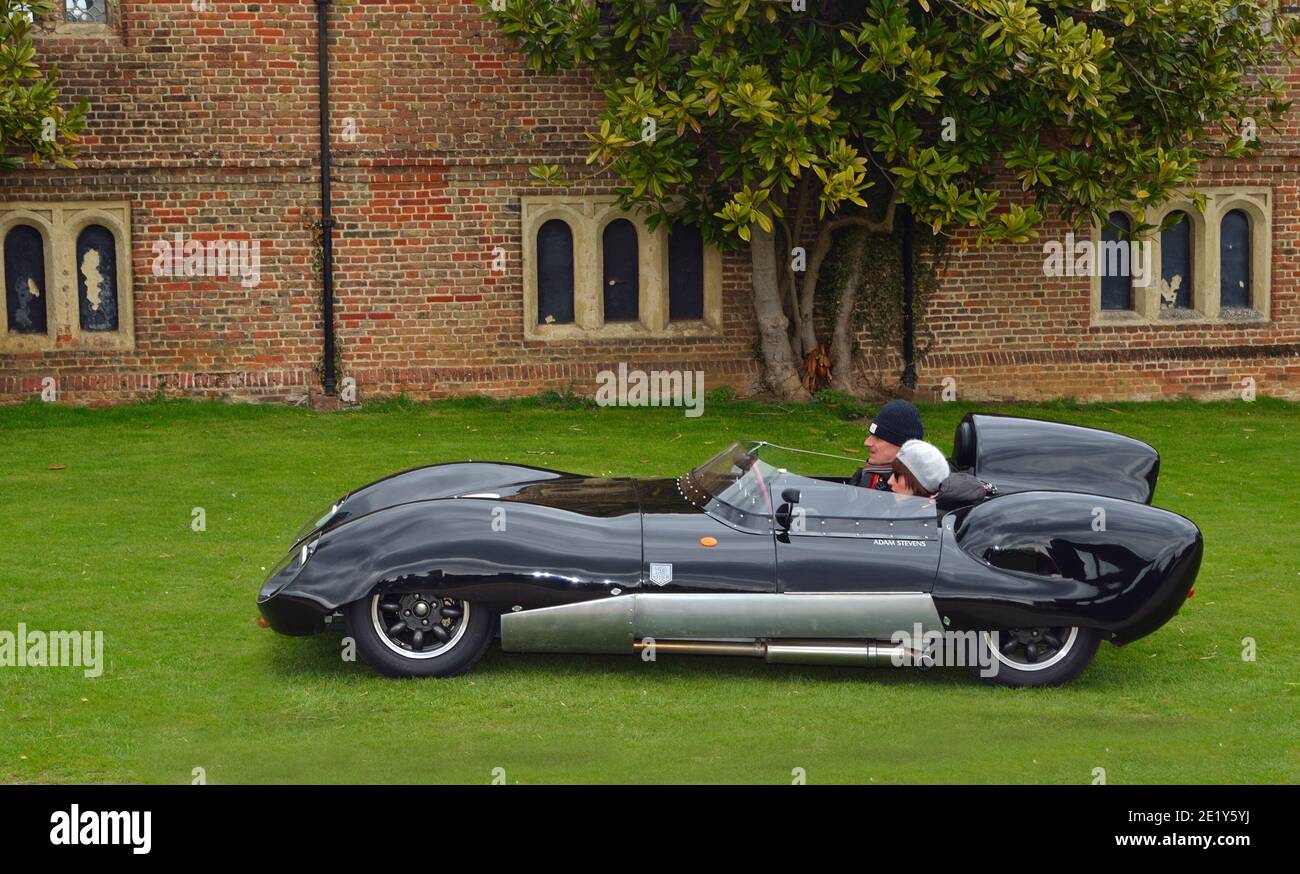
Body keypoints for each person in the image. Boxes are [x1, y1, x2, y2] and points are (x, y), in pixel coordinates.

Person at [890, 438, 998, 510]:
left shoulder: (930, 523)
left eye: (897, 475)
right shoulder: (915, 510)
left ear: (919, 481)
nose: (890, 481)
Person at [850, 399, 924, 491]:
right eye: (871, 436)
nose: (867, 443)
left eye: (878, 438)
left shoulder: (906, 494)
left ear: (903, 447)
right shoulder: (869, 476)